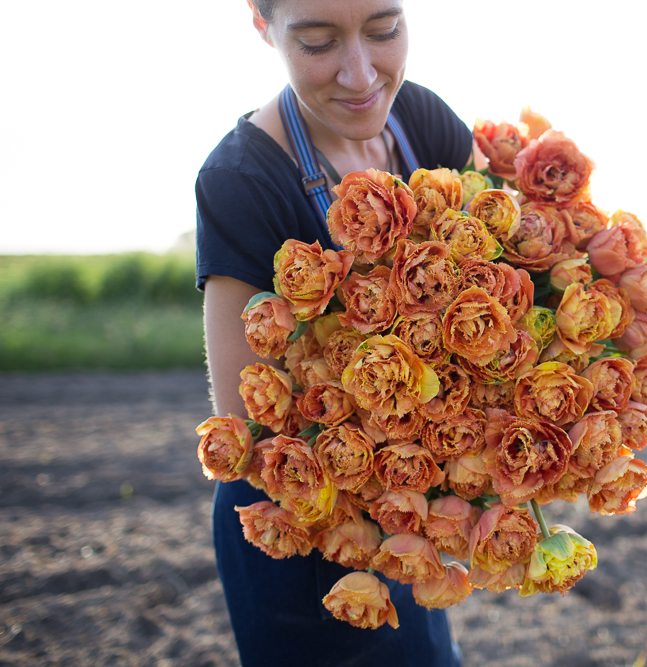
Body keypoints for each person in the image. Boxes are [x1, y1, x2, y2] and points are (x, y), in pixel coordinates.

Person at [194, 1, 470, 664]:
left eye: (384, 31)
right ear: (264, 29)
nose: (361, 73)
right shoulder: (240, 181)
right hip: (308, 534)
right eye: (319, 42)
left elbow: (503, 264)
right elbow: (245, 421)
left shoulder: (422, 119)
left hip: (409, 516)